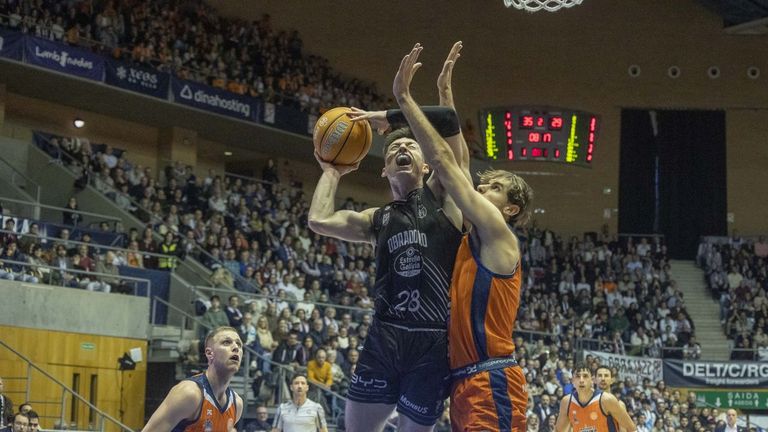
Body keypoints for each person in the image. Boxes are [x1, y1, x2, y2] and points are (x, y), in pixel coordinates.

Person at [308, 46, 467, 432]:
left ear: (427, 165)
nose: (400, 146)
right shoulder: (377, 219)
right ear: (383, 172)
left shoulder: (444, 197)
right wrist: (332, 171)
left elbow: (451, 148)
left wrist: (443, 96)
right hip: (384, 335)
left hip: (431, 341)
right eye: (393, 147)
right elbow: (320, 219)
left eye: (410, 145)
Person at [383, 41, 532, 431]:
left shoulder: (499, 233)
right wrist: (446, 100)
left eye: (494, 188)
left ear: (510, 208)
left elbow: (447, 166)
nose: (482, 189)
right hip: (466, 382)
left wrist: (403, 99)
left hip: (491, 378)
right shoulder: (475, 233)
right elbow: (461, 162)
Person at [142, 326, 243, 432]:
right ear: (209, 353)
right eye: (226, 342)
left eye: (239, 344)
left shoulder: (237, 404)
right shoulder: (190, 393)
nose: (236, 347)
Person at [555, 364, 636, 432]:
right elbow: (559, 430)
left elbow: (631, 429)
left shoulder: (606, 399)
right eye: (578, 376)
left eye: (585, 376)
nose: (581, 380)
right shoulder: (567, 402)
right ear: (572, 380)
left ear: (592, 380)